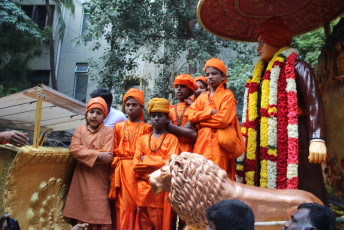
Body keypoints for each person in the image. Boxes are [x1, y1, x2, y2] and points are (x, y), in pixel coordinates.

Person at [236, 16, 328, 204]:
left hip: (297, 141)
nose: (258, 48)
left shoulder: (299, 68)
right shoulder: (259, 77)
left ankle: (316, 217)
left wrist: (317, 138)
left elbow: (314, 103)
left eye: (262, 42)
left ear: (275, 39)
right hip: (265, 144)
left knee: (306, 184)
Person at [63, 97, 114, 230]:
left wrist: (84, 154)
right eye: (91, 112)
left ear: (104, 116)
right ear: (86, 114)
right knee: (80, 216)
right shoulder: (80, 129)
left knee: (100, 214)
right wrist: (98, 155)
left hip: (98, 180)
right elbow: (74, 150)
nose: (94, 116)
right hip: (80, 179)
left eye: (98, 113)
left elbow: (108, 156)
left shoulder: (108, 132)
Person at [188, 58, 243, 180]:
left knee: (218, 182)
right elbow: (190, 116)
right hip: (201, 145)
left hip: (220, 147)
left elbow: (223, 120)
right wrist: (208, 112)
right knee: (200, 181)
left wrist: (201, 122)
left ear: (223, 77)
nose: (210, 77)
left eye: (214, 73)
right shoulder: (202, 98)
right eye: (207, 74)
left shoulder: (227, 95)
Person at [108, 88, 152, 230]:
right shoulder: (118, 127)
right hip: (121, 171)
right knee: (122, 205)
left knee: (137, 205)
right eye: (128, 105)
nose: (130, 108)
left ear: (141, 107)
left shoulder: (148, 128)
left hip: (138, 171)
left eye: (134, 105)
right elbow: (113, 150)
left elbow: (148, 151)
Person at [133, 98, 179, 230]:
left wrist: (146, 159)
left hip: (161, 191)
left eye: (160, 115)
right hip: (143, 191)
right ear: (150, 118)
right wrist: (160, 162)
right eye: (153, 116)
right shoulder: (142, 139)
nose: (156, 119)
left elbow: (171, 165)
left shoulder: (172, 139)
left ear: (167, 119)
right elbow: (136, 166)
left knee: (160, 224)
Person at [167, 74, 198, 153]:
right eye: (176, 86)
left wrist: (172, 128)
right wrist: (184, 129)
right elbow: (166, 132)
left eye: (183, 86)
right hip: (171, 149)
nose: (179, 89)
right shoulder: (169, 109)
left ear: (190, 89)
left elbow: (195, 134)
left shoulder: (194, 108)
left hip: (191, 150)